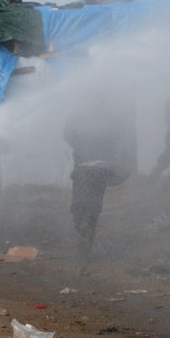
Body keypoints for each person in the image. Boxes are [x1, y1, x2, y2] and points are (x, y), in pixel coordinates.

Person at [64, 97, 134, 257]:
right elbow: (122, 140)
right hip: (102, 166)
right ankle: (87, 231)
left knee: (79, 199)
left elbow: (67, 135)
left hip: (82, 165)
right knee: (94, 201)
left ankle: (79, 222)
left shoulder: (77, 117)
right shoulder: (113, 119)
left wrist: (80, 147)